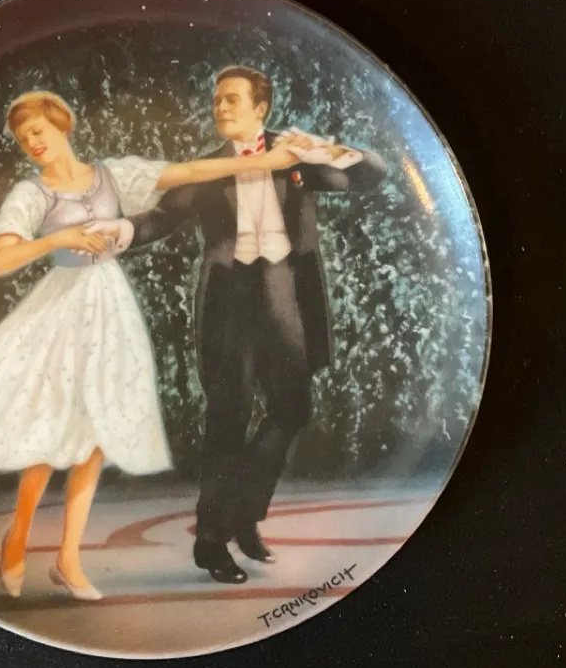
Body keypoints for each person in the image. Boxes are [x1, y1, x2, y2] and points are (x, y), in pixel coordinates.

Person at [0, 90, 303, 601]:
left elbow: (187, 173)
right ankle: (18, 536)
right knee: (49, 430)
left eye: (39, 132)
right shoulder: (32, 193)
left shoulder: (111, 175)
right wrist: (58, 239)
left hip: (108, 306)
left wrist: (268, 161)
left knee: (95, 433)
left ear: (62, 127)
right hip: (61, 307)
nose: (33, 143)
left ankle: (68, 559)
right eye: (24, 138)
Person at [98, 66, 387, 585]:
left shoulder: (296, 155)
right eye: (217, 101)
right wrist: (120, 229)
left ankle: (242, 514)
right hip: (228, 301)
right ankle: (212, 542)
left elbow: (369, 175)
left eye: (232, 99)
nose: (221, 107)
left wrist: (325, 148)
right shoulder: (210, 167)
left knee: (293, 409)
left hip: (284, 295)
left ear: (261, 108)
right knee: (228, 418)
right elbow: (163, 216)